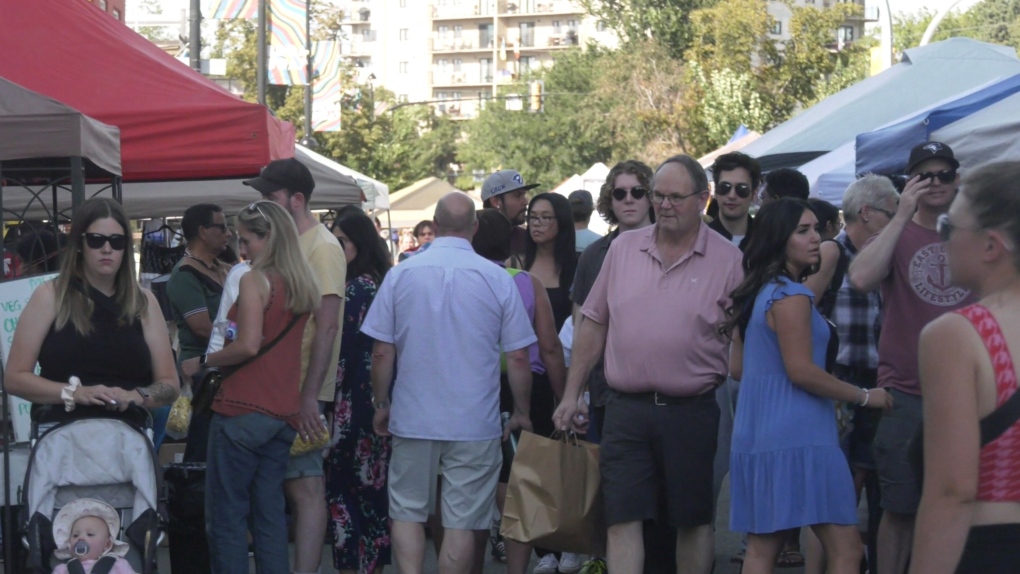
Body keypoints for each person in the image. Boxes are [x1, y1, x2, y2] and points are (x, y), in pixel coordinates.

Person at [554, 155, 744, 574]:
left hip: (691, 411)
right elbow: (592, 324)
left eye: (676, 197)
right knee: (622, 518)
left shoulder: (729, 261)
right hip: (626, 410)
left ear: (702, 199)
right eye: (658, 196)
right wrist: (572, 394)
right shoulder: (622, 249)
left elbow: (743, 339)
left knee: (692, 520)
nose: (665, 205)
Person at [362, 192, 536, 574]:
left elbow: (381, 352)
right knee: (461, 520)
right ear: (474, 227)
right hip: (474, 419)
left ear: (435, 226)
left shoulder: (400, 275)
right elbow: (520, 356)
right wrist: (522, 410)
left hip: (412, 414)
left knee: (407, 510)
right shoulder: (497, 279)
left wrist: (380, 403)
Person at [719, 198, 893, 574]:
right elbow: (802, 371)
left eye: (816, 228)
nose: (816, 237)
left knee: (761, 550)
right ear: (778, 238)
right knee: (846, 551)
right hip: (801, 434)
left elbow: (738, 369)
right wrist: (866, 396)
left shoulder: (755, 292)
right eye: (803, 231)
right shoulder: (792, 296)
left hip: (758, 433)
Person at [848, 142, 975, 574]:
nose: (935, 183)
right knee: (899, 509)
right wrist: (902, 214)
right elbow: (861, 278)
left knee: (964, 503)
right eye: (925, 176)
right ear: (910, 182)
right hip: (906, 391)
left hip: (970, 392)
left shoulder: (975, 233)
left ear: (958, 179)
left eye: (944, 174)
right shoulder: (896, 233)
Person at [181, 200, 319, 574]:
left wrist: (205, 362)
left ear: (269, 237)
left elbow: (247, 344)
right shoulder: (300, 282)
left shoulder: (254, 280)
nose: (241, 249)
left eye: (247, 240)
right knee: (269, 515)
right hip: (282, 413)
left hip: (242, 409)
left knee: (226, 518)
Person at [910, 162, 1020, 574]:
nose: (943, 241)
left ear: (991, 246)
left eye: (947, 227)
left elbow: (952, 491)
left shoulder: (957, 335)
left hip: (993, 549)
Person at [244, 158, 346, 574]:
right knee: (286, 488)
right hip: (277, 386)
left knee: (305, 488)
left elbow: (327, 327)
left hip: (300, 388)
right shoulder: (290, 243)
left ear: (297, 199)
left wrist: (309, 396)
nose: (263, 204)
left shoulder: (322, 247)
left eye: (270, 197)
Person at [6, 197, 179, 426]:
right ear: (79, 243)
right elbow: (15, 378)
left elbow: (169, 384)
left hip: (128, 438)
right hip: (63, 435)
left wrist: (135, 396)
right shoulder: (50, 295)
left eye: (116, 241)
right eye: (96, 240)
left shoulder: (144, 302)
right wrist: (75, 393)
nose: (107, 249)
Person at [807, 175, 900, 573]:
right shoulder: (834, 251)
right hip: (838, 377)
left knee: (865, 471)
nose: (897, 222)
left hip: (879, 378)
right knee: (835, 484)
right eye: (891, 215)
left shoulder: (888, 255)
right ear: (867, 213)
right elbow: (801, 305)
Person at [471, 208, 568, 574]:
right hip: (531, 386)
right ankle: (518, 564)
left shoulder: (464, 278)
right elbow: (550, 347)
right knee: (522, 477)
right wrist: (564, 396)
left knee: (481, 478)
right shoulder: (527, 282)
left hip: (476, 385)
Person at [326, 210, 394, 574]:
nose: (336, 248)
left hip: (352, 406)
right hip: (373, 402)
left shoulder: (356, 290)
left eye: (342, 241)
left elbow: (342, 354)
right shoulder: (376, 282)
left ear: (359, 244)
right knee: (371, 493)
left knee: (346, 492)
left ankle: (354, 566)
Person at [167, 203, 231, 454]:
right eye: (222, 227)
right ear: (203, 231)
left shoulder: (216, 267)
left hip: (219, 367)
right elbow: (203, 329)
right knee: (205, 448)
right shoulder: (185, 275)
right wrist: (244, 339)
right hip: (202, 375)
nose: (228, 233)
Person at [524, 192, 577, 331]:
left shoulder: (579, 265)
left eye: (545, 217)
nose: (536, 223)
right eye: (533, 217)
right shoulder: (515, 263)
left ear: (562, 221)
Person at [52, 498, 135, 574]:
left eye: (90, 534)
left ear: (107, 544)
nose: (80, 538)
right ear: (69, 544)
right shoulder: (62, 569)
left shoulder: (118, 565)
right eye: (75, 535)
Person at [481, 169, 540, 266]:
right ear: (496, 202)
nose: (525, 201)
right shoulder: (473, 239)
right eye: (517, 196)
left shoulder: (527, 239)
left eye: (524, 195)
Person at [708, 152, 762, 251]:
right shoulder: (698, 239)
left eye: (741, 189)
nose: (732, 196)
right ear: (715, 191)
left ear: (754, 194)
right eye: (724, 187)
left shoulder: (767, 242)